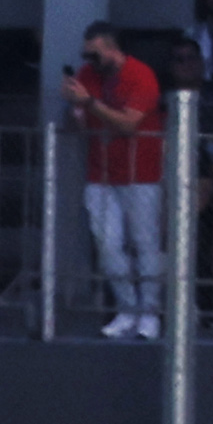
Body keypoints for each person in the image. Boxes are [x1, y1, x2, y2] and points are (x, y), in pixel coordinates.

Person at [71, 17, 167, 338]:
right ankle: (127, 308)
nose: (89, 62)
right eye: (87, 55)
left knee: (145, 243)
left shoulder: (141, 75)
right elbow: (82, 125)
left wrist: (89, 104)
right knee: (108, 244)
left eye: (95, 54)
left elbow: (129, 123)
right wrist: (77, 110)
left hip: (140, 171)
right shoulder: (87, 76)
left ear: (112, 50)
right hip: (101, 172)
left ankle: (150, 313)